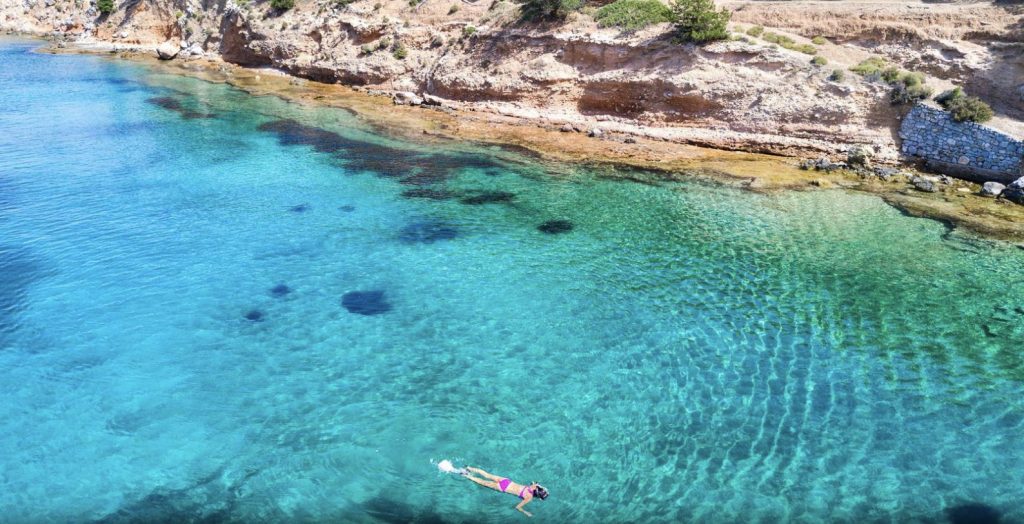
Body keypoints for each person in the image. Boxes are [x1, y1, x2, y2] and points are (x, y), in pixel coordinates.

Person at [458, 466, 548, 517]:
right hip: (503, 488)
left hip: (506, 481)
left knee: (486, 474)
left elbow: (536, 484)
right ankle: (467, 476)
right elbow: (518, 507)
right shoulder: (529, 498)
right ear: (538, 497)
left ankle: (469, 468)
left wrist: (538, 485)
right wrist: (525, 512)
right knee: (482, 482)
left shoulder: (534, 486)